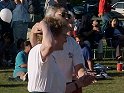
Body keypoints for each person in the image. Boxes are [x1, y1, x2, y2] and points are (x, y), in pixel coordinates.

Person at [30, 5, 95, 93]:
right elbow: (48, 45)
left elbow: (61, 90)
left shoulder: (70, 43)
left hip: (65, 85)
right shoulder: (40, 49)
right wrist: (44, 23)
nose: (65, 40)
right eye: (63, 14)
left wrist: (81, 80)